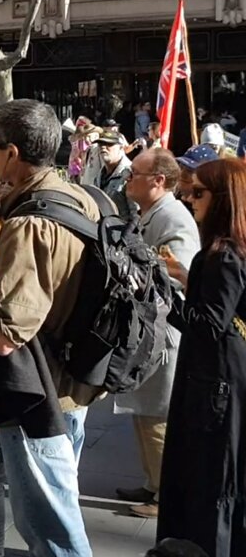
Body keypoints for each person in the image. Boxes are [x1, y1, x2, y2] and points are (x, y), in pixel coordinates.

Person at [0, 99, 103, 557]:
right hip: (76, 380)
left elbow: (5, 334)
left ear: (13, 153)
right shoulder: (79, 196)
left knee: (50, 527)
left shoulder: (29, 223)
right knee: (61, 502)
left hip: (36, 393)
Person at [157, 159, 246, 556]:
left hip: (215, 383)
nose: (189, 199)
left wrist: (162, 300)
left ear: (223, 200)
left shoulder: (224, 254)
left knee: (210, 480)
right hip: (224, 378)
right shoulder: (231, 250)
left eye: (198, 193)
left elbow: (210, 325)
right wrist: (185, 281)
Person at [114, 148, 200, 520]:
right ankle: (153, 482)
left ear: (158, 181)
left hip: (163, 335)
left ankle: (166, 494)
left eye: (135, 173)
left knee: (157, 415)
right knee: (144, 412)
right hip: (148, 331)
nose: (128, 178)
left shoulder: (173, 217)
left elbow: (178, 273)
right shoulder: (151, 212)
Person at [94, 130, 136, 219]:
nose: (103, 147)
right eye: (100, 144)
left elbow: (136, 214)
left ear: (121, 148)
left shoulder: (131, 173)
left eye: (109, 144)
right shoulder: (99, 175)